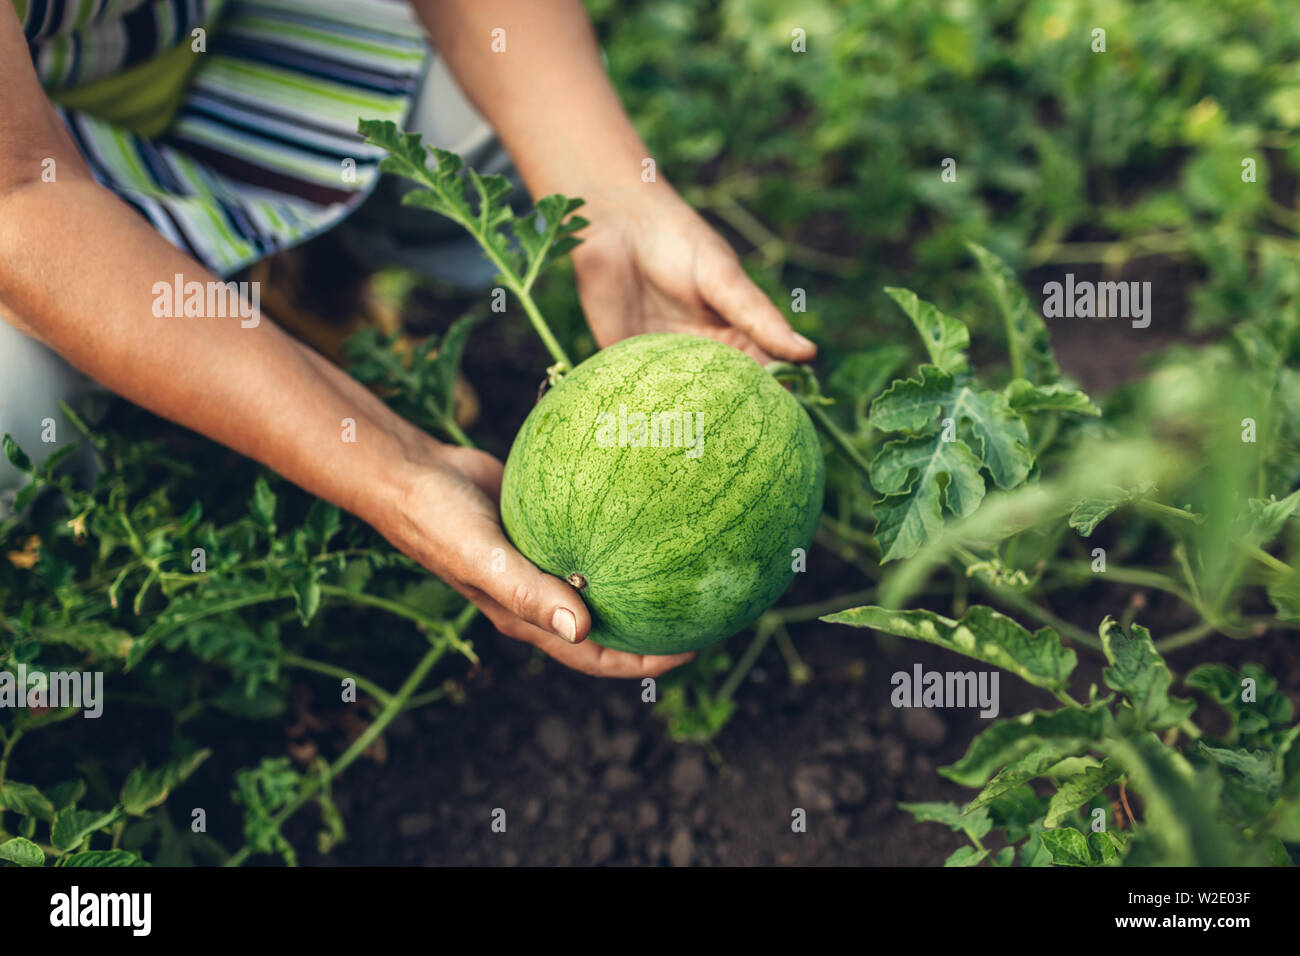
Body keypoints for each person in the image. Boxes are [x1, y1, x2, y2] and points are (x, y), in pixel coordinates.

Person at [0, 0, 816, 677]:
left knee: (490, 140)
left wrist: (614, 208)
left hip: (197, 47)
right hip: (29, 180)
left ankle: (297, 275)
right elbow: (22, 211)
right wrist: (393, 467)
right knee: (19, 421)